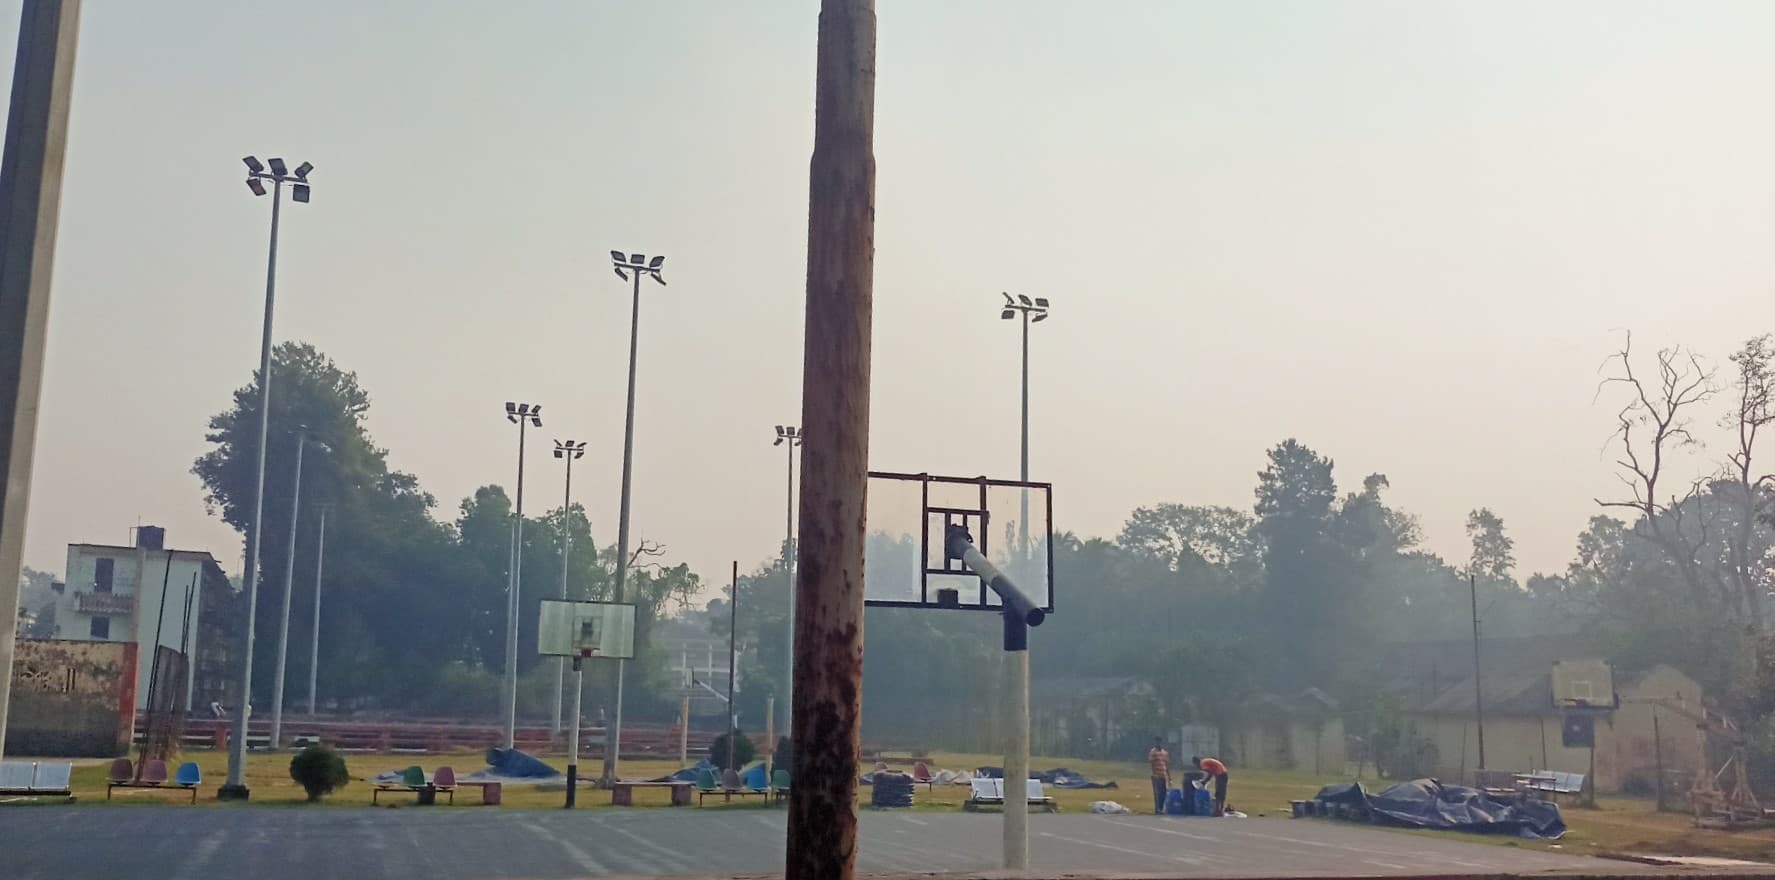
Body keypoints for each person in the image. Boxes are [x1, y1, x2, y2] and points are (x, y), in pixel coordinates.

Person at [1147, 737, 1170, 815]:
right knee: (1158, 793)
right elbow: (1152, 764)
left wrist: (1169, 777)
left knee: (1164, 792)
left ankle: (1161, 808)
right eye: (1157, 742)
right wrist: (1154, 774)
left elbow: (1166, 765)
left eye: (1160, 742)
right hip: (1156, 775)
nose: (1159, 744)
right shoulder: (1153, 752)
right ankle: (1157, 809)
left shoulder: (1165, 753)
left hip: (1163, 775)